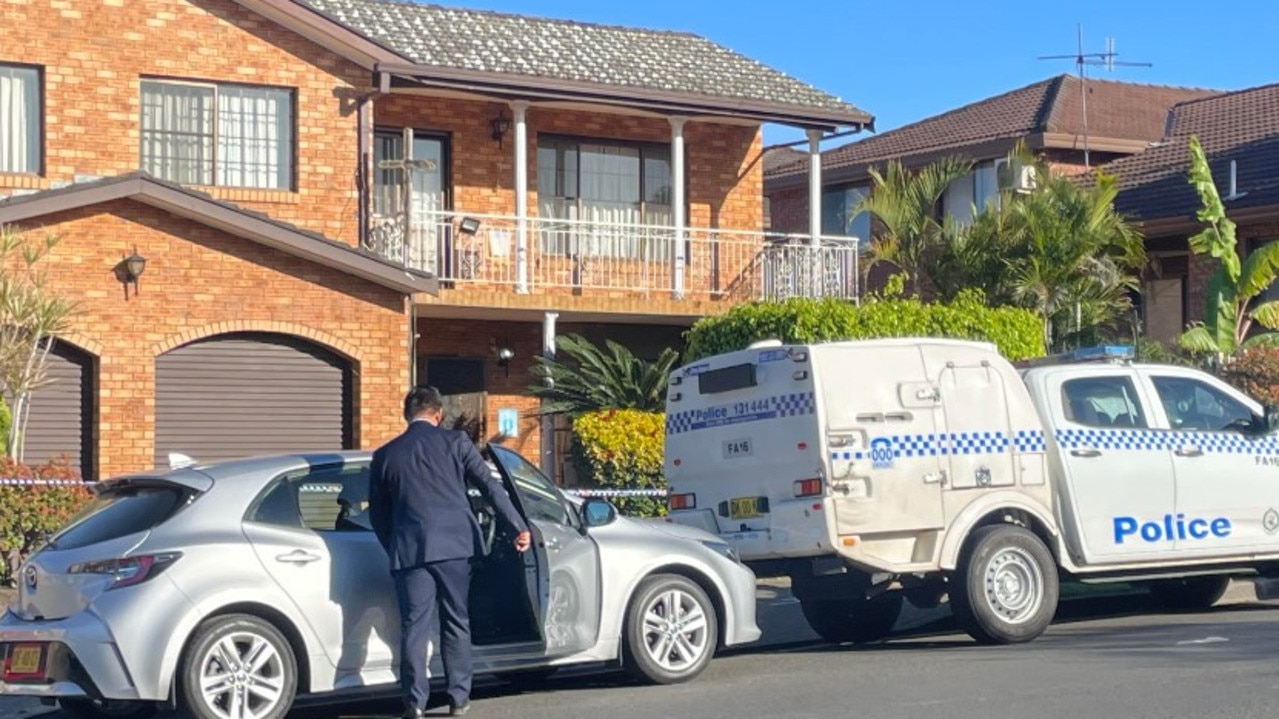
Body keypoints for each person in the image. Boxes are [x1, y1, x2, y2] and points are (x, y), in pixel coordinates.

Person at [369, 387, 531, 718]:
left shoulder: (385, 455)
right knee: (456, 620)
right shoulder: (456, 443)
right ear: (438, 414)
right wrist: (518, 525)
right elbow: (490, 486)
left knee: (414, 626)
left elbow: (377, 514)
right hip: (455, 547)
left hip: (409, 552)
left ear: (406, 414)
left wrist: (394, 545)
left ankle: (414, 703)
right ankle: (458, 698)